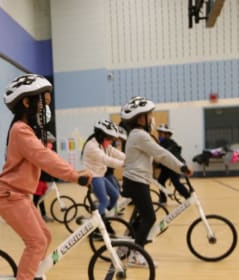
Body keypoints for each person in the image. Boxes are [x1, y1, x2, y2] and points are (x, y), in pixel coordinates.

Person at [0, 74, 92, 280]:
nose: (46, 107)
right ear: (26, 103)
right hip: (8, 195)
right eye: (42, 102)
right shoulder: (21, 130)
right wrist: (75, 176)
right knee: (35, 242)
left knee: (44, 236)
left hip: (19, 194)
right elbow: (45, 159)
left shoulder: (26, 130)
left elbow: (45, 156)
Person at [120, 96, 192, 266]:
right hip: (136, 182)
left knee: (139, 217)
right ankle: (136, 256)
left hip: (137, 181)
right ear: (140, 118)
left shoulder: (138, 135)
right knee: (150, 218)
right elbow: (161, 154)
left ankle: (124, 246)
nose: (152, 118)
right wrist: (181, 167)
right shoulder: (139, 136)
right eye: (149, 115)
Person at [81, 119, 125, 224]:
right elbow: (107, 160)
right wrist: (124, 164)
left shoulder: (102, 144)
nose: (111, 141)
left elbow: (115, 153)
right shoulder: (91, 146)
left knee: (115, 195)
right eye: (109, 138)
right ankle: (96, 227)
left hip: (100, 176)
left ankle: (104, 217)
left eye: (112, 139)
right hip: (93, 177)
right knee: (104, 201)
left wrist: (130, 159)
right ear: (101, 135)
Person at [155, 124, 191, 204]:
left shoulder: (169, 143)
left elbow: (170, 156)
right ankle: (163, 200)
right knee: (160, 181)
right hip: (167, 167)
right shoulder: (163, 143)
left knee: (176, 182)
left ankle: (188, 197)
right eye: (159, 133)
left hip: (174, 166)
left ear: (167, 134)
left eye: (161, 133)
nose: (159, 135)